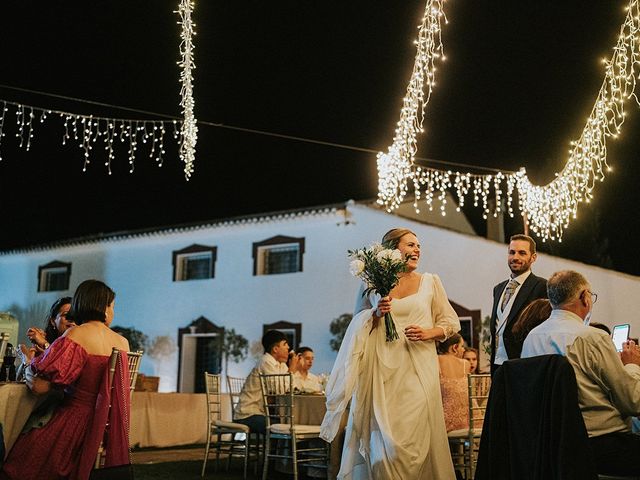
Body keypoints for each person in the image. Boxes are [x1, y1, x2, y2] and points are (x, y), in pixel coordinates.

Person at [321, 228, 460, 479]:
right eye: (410, 245)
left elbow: (451, 322)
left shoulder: (431, 282)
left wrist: (429, 332)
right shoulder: (373, 283)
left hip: (418, 368)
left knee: (414, 437)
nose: (417, 249)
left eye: (419, 245)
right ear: (393, 251)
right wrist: (375, 314)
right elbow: (357, 324)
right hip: (382, 369)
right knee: (383, 441)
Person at [1, 279, 130, 480]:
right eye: (112, 306)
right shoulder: (123, 342)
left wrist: (28, 363)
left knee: (21, 454)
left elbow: (39, 387)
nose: (112, 312)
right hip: (106, 426)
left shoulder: (76, 334)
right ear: (103, 308)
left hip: (76, 423)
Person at [521, 270, 640, 476]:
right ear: (585, 297)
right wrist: (631, 365)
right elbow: (632, 401)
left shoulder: (532, 338)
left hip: (549, 449)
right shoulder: (592, 337)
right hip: (600, 446)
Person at [489, 234, 547, 374]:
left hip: (524, 364)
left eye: (522, 253)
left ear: (533, 257)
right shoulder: (498, 288)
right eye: (512, 252)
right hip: (497, 366)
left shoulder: (542, 286)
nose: (515, 257)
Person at [233, 330, 299, 434]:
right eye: (285, 344)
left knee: (291, 423)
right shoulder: (266, 362)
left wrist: (289, 370)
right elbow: (278, 391)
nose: (288, 348)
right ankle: (274, 451)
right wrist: (291, 371)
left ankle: (281, 450)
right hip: (248, 414)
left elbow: (291, 389)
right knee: (283, 427)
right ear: (275, 349)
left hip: (261, 413)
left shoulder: (280, 364)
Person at [438, 333, 471, 432]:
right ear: (454, 347)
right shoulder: (466, 364)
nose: (464, 350)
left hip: (444, 422)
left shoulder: (436, 361)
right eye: (462, 346)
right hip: (469, 422)